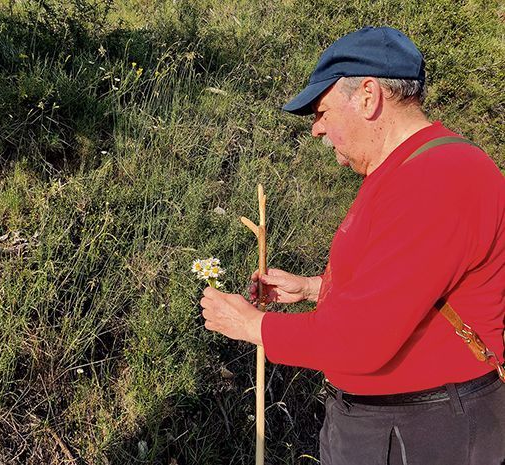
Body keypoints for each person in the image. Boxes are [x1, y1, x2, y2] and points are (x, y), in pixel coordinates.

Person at [200, 26, 505, 465]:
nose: (316, 130)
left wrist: (252, 326)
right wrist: (313, 288)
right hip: (392, 422)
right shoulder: (404, 171)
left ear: (367, 96)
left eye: (321, 111)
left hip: (425, 429)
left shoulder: (437, 178)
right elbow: (403, 289)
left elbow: (359, 340)